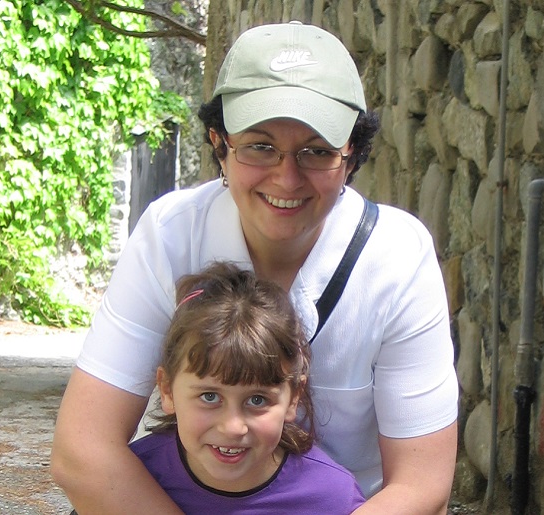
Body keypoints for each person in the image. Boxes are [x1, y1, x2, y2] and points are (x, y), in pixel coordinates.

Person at [52, 21, 459, 515]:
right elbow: (83, 451)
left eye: (317, 152)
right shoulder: (171, 234)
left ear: (351, 157)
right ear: (219, 144)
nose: (287, 178)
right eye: (260, 147)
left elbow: (421, 486)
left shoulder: (397, 258)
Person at [126, 262, 364, 513]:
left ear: (294, 397)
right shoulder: (132, 478)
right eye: (209, 396)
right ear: (167, 390)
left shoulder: (332, 499)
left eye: (257, 400)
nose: (233, 428)